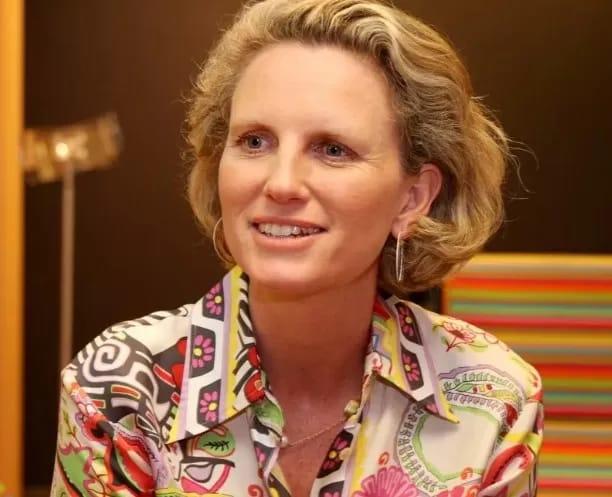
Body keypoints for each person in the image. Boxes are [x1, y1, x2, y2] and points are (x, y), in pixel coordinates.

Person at [51, 1, 543, 496]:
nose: (281, 183)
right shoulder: (119, 390)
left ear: (412, 198)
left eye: (332, 149)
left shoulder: (492, 401)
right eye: (255, 142)